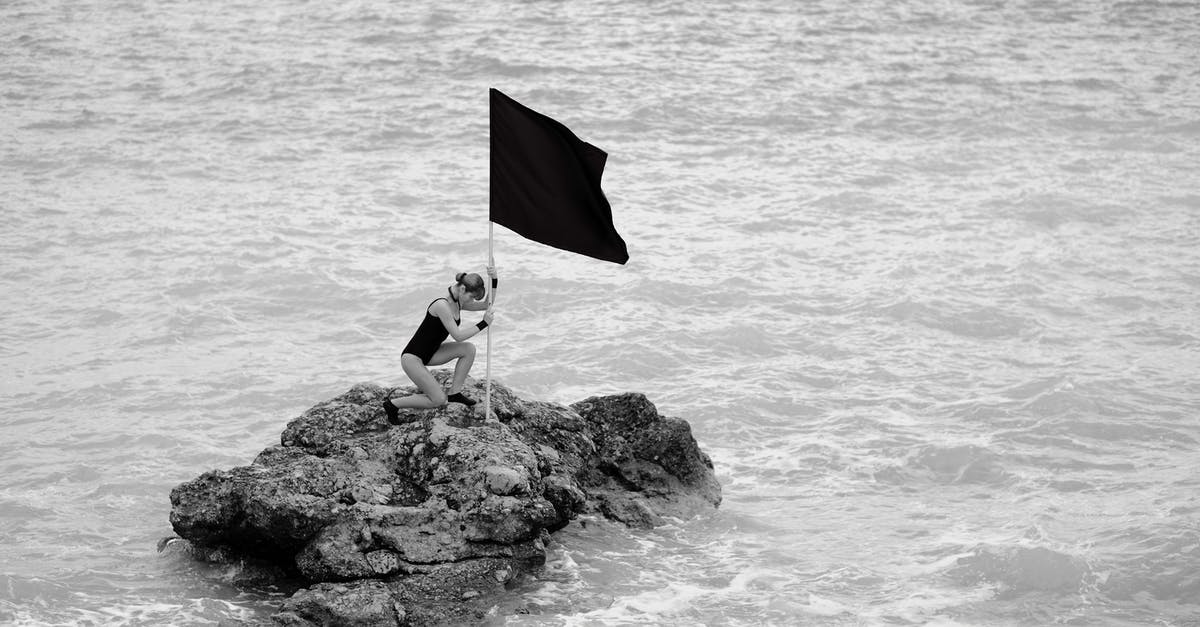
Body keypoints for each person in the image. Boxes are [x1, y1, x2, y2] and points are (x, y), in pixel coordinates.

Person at [383, 267, 497, 423]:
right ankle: (392, 404)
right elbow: (457, 336)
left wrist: (495, 279)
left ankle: (455, 393)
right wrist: (484, 323)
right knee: (438, 400)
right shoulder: (442, 305)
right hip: (412, 358)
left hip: (433, 352)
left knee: (468, 349)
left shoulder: (458, 302)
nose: (472, 302)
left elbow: (486, 305)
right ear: (463, 289)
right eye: (471, 297)